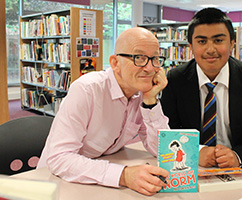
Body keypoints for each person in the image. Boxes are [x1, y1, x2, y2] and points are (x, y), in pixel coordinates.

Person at [38, 27, 170, 196]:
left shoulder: (141, 94)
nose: (150, 68)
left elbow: (162, 151)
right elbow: (59, 158)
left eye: (155, 58)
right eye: (140, 58)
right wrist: (124, 175)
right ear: (115, 63)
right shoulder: (87, 89)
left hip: (98, 178)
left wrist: (151, 101)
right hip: (56, 181)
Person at [160, 8, 242, 174]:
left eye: (218, 40)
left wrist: (238, 155)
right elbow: (167, 129)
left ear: (232, 43)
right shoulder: (175, 79)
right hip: (190, 165)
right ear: (190, 46)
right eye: (202, 42)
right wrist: (196, 151)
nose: (210, 49)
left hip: (241, 167)